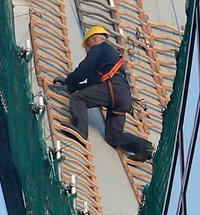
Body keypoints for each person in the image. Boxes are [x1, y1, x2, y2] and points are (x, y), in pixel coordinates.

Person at [54, 26, 155, 162]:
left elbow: (84, 69)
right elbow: (93, 86)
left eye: (89, 44)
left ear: (94, 39)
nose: (89, 49)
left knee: (78, 99)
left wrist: (68, 81)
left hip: (113, 89)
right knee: (113, 136)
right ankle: (145, 147)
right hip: (123, 95)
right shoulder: (110, 56)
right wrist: (75, 86)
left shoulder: (99, 48)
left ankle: (81, 131)